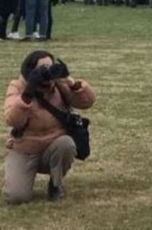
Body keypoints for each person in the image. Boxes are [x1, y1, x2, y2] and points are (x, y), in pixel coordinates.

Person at [3, 50, 96, 203]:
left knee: (66, 144)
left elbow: (87, 102)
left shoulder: (58, 85)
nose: (47, 72)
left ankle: (55, 184)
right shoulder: (18, 86)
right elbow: (13, 120)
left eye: (50, 67)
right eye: (42, 68)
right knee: (16, 197)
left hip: (54, 145)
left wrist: (70, 81)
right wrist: (28, 93)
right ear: (30, 70)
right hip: (26, 149)